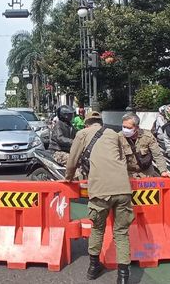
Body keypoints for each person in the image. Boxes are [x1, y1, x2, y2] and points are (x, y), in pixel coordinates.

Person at [64, 111, 133, 284]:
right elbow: (124, 159)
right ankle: (123, 277)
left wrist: (68, 177)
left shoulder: (82, 134)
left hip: (100, 190)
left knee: (97, 228)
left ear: (87, 124)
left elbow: (72, 160)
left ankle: (93, 268)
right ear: (100, 123)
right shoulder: (114, 134)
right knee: (122, 233)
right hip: (123, 189)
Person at [119, 112, 170, 179]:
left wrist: (163, 171)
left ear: (137, 127)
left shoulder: (148, 136)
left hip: (146, 173)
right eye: (124, 127)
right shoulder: (118, 138)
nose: (125, 130)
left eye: (129, 128)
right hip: (128, 174)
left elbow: (157, 155)